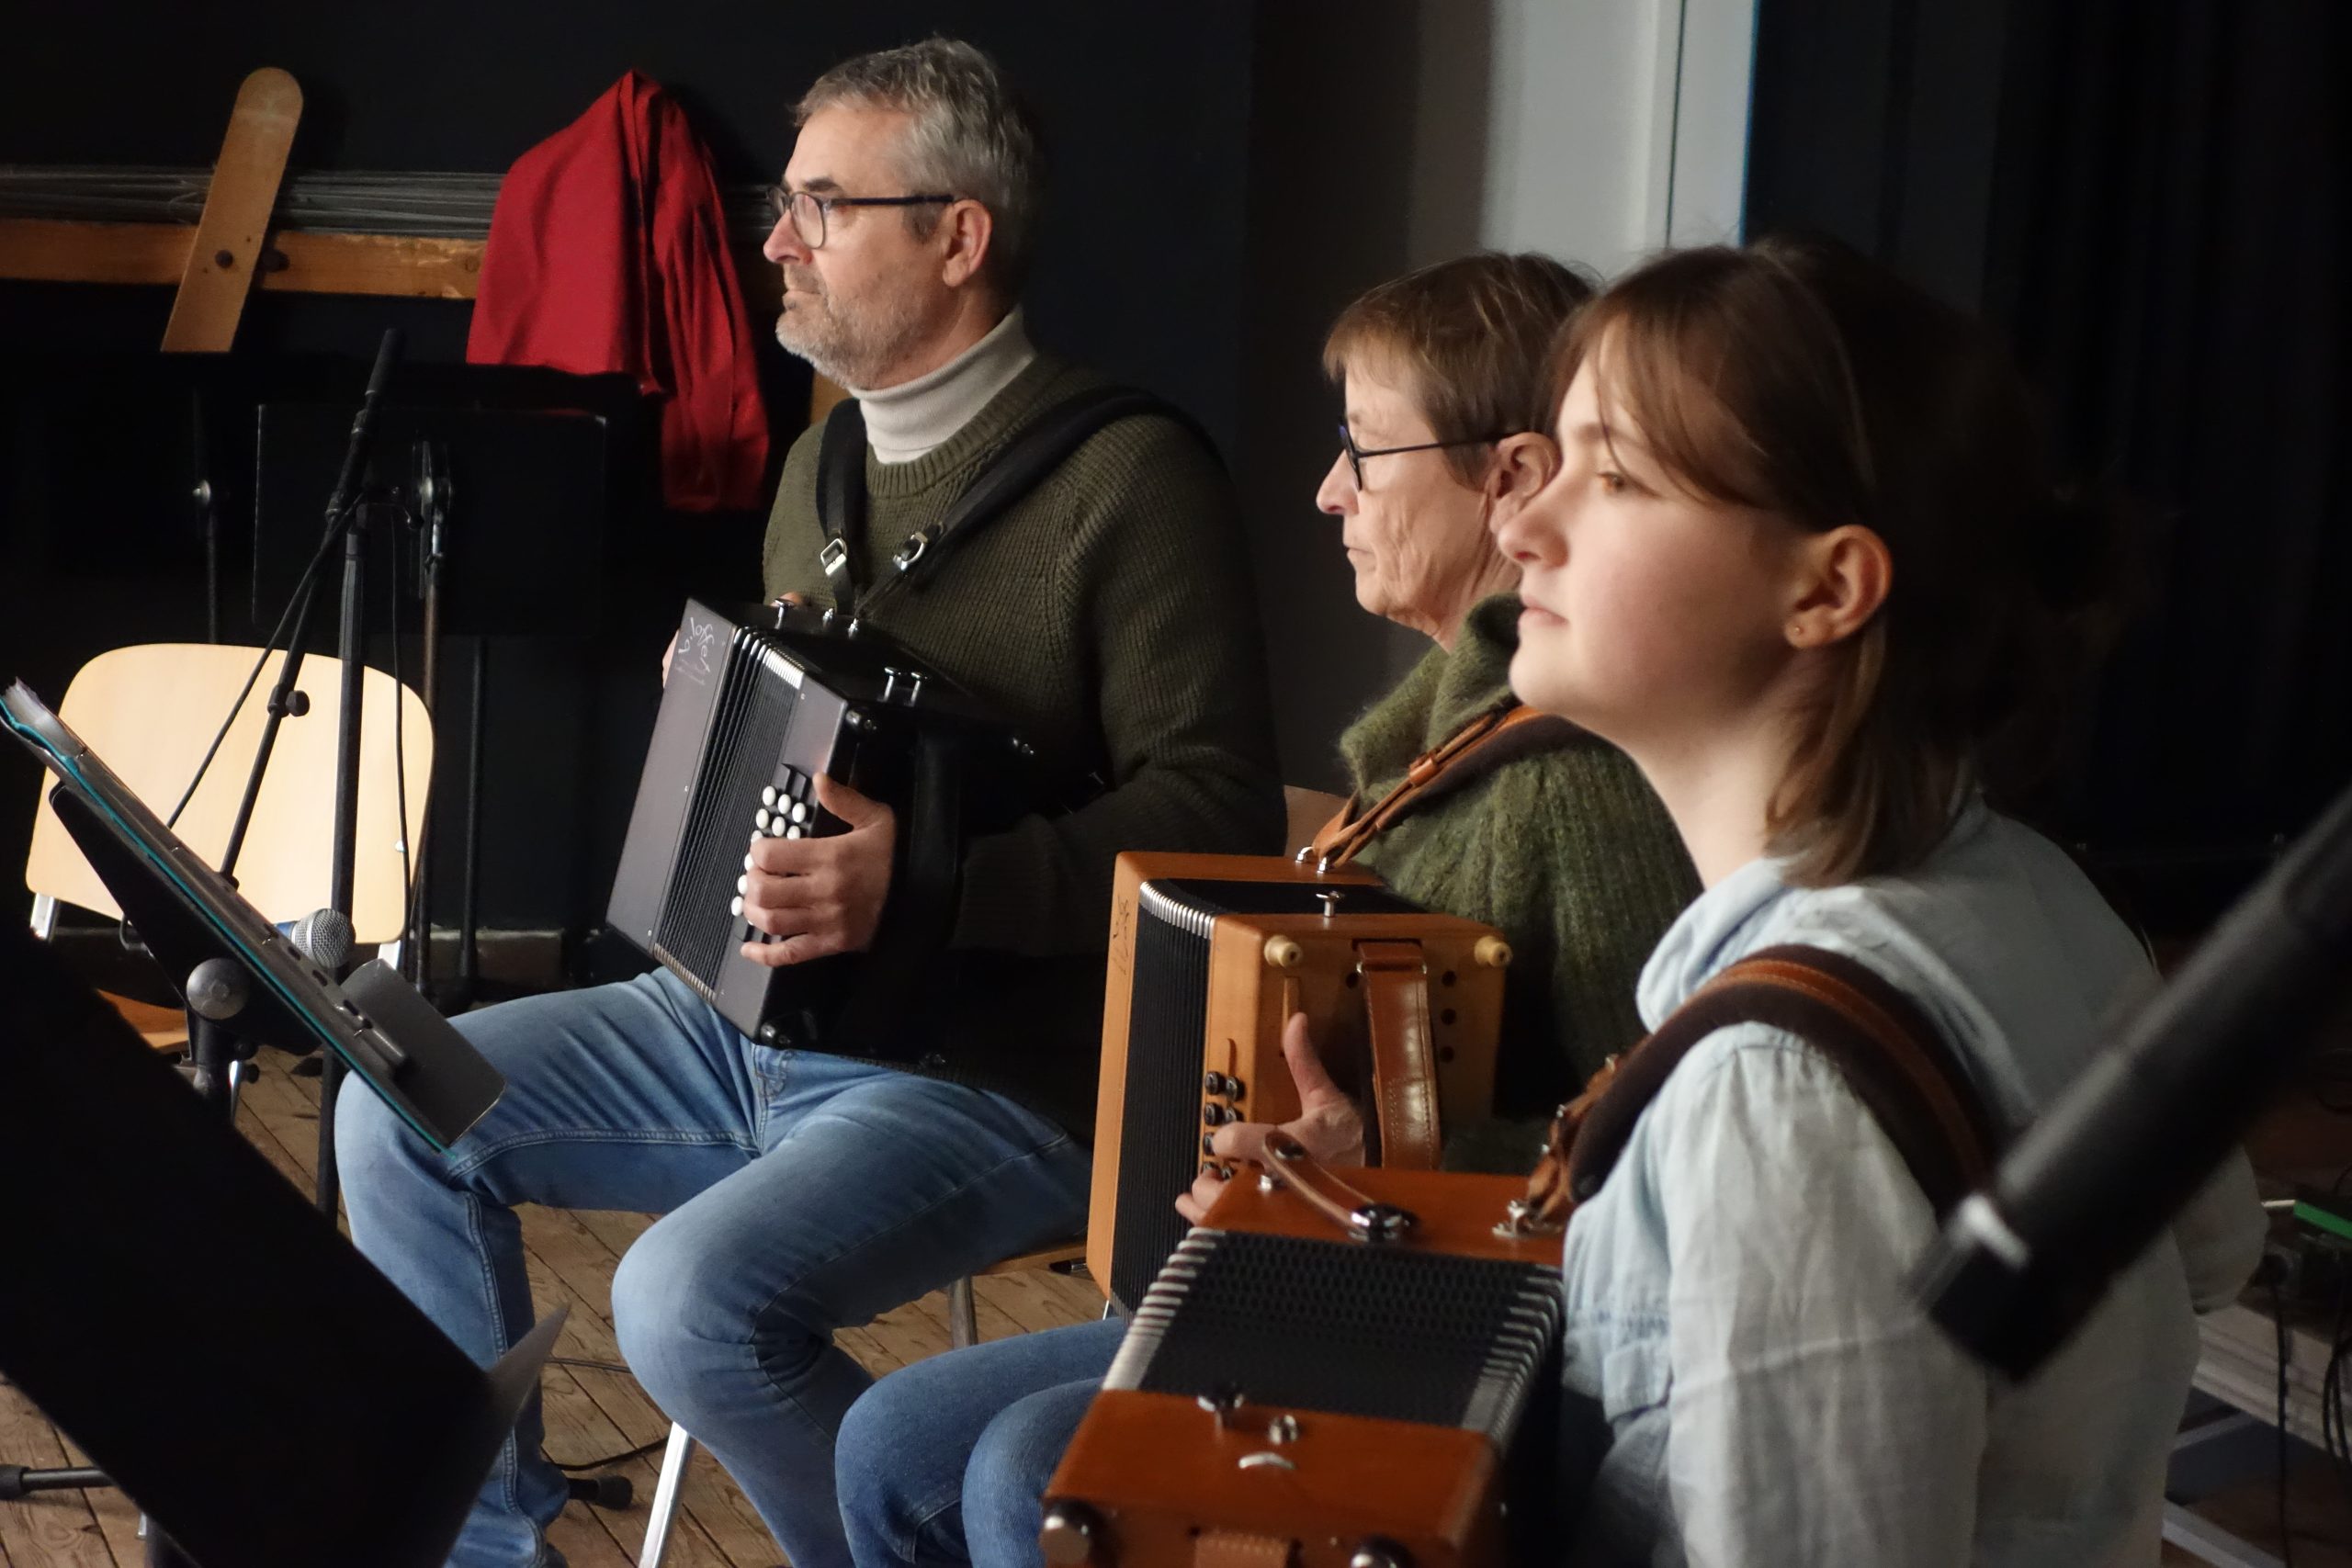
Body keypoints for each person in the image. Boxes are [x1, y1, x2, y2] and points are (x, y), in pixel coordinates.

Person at [335, 38, 1282, 1568]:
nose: (776, 239)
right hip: (744, 1015)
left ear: (958, 237)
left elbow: (1224, 816)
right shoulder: (822, 462)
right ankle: (492, 1555)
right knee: (398, 1105)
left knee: (688, 1301)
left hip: (996, 1070)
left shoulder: (1132, 481)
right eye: (786, 202)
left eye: (823, 207)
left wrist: (934, 883)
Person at [831, 252, 1698, 1568]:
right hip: (1346, 1266)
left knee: (1023, 1468)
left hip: (1465, 1327)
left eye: (1366, 449)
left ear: (1509, 477)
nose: (1327, 490)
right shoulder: (1422, 753)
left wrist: (1397, 1158)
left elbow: (1664, 1159)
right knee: (892, 1445)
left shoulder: (1573, 790)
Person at [1488, 235, 2265, 1563]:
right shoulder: (2027, 888)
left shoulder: (1776, 1092)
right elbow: (2213, 1250)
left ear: (1827, 588)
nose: (1522, 524)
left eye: (1612, 476)